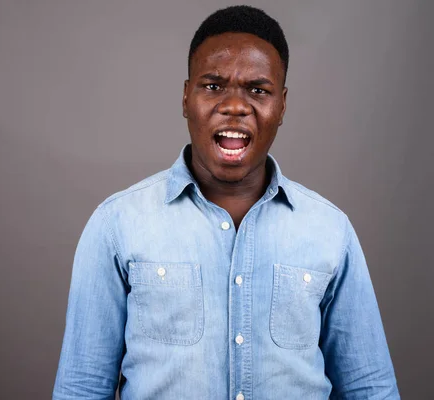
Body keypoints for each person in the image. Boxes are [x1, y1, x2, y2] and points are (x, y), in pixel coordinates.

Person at [53, 5, 399, 400]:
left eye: (258, 90)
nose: (235, 105)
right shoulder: (116, 224)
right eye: (213, 86)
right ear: (186, 98)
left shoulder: (330, 231)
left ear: (281, 106)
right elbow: (81, 388)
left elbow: (370, 389)